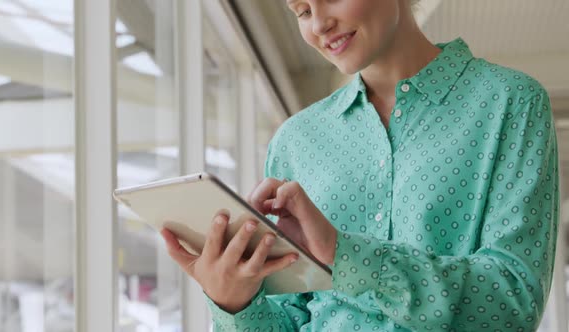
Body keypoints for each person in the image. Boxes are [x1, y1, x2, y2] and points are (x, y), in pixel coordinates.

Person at [160, 0, 560, 330]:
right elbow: (292, 317)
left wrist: (344, 253)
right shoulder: (296, 140)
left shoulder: (510, 103)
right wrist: (234, 303)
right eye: (301, 11)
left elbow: (512, 300)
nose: (319, 24)